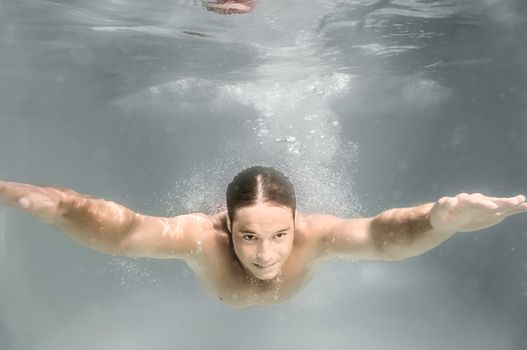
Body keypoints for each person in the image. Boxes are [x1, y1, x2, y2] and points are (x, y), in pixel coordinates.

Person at [0, 166, 526, 308]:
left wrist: (438, 220)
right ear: (227, 224)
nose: (267, 253)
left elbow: (381, 235)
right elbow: (125, 230)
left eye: (279, 233)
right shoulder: (200, 237)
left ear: (297, 222)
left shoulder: (314, 234)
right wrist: (62, 206)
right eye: (248, 236)